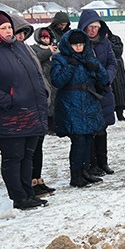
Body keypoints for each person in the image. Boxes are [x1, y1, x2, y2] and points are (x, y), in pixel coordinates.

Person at [0, 10, 50, 210]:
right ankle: (18, 197)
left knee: (27, 155)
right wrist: (8, 100)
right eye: (2, 28)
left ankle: (28, 193)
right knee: (13, 157)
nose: (8, 31)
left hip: (31, 110)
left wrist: (42, 94)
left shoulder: (20, 46)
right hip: (8, 115)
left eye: (9, 27)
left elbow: (35, 75)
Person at [50, 30, 110, 187]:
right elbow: (57, 81)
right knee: (79, 141)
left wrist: (96, 68)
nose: (79, 47)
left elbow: (105, 79)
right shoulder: (60, 59)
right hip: (71, 103)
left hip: (89, 102)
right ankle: (75, 175)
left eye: (81, 44)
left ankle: (85, 171)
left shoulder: (88, 57)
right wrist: (70, 66)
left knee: (89, 138)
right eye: (76, 44)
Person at [13, 14, 56, 197]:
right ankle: (27, 183)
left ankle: (37, 178)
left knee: (37, 145)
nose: (21, 36)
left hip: (38, 102)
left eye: (23, 33)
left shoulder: (24, 49)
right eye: (17, 33)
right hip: (22, 105)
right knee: (25, 150)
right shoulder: (15, 51)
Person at [77, 10, 118, 176]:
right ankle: (91, 163)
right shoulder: (77, 43)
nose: (93, 30)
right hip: (86, 92)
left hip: (103, 90)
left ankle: (103, 162)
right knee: (89, 130)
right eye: (90, 27)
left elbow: (112, 63)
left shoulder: (104, 43)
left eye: (96, 27)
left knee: (102, 128)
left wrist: (106, 77)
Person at [106, 26, 125, 122]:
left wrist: (107, 42)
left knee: (120, 93)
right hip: (105, 68)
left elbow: (118, 52)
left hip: (118, 70)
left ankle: (120, 114)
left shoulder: (115, 39)